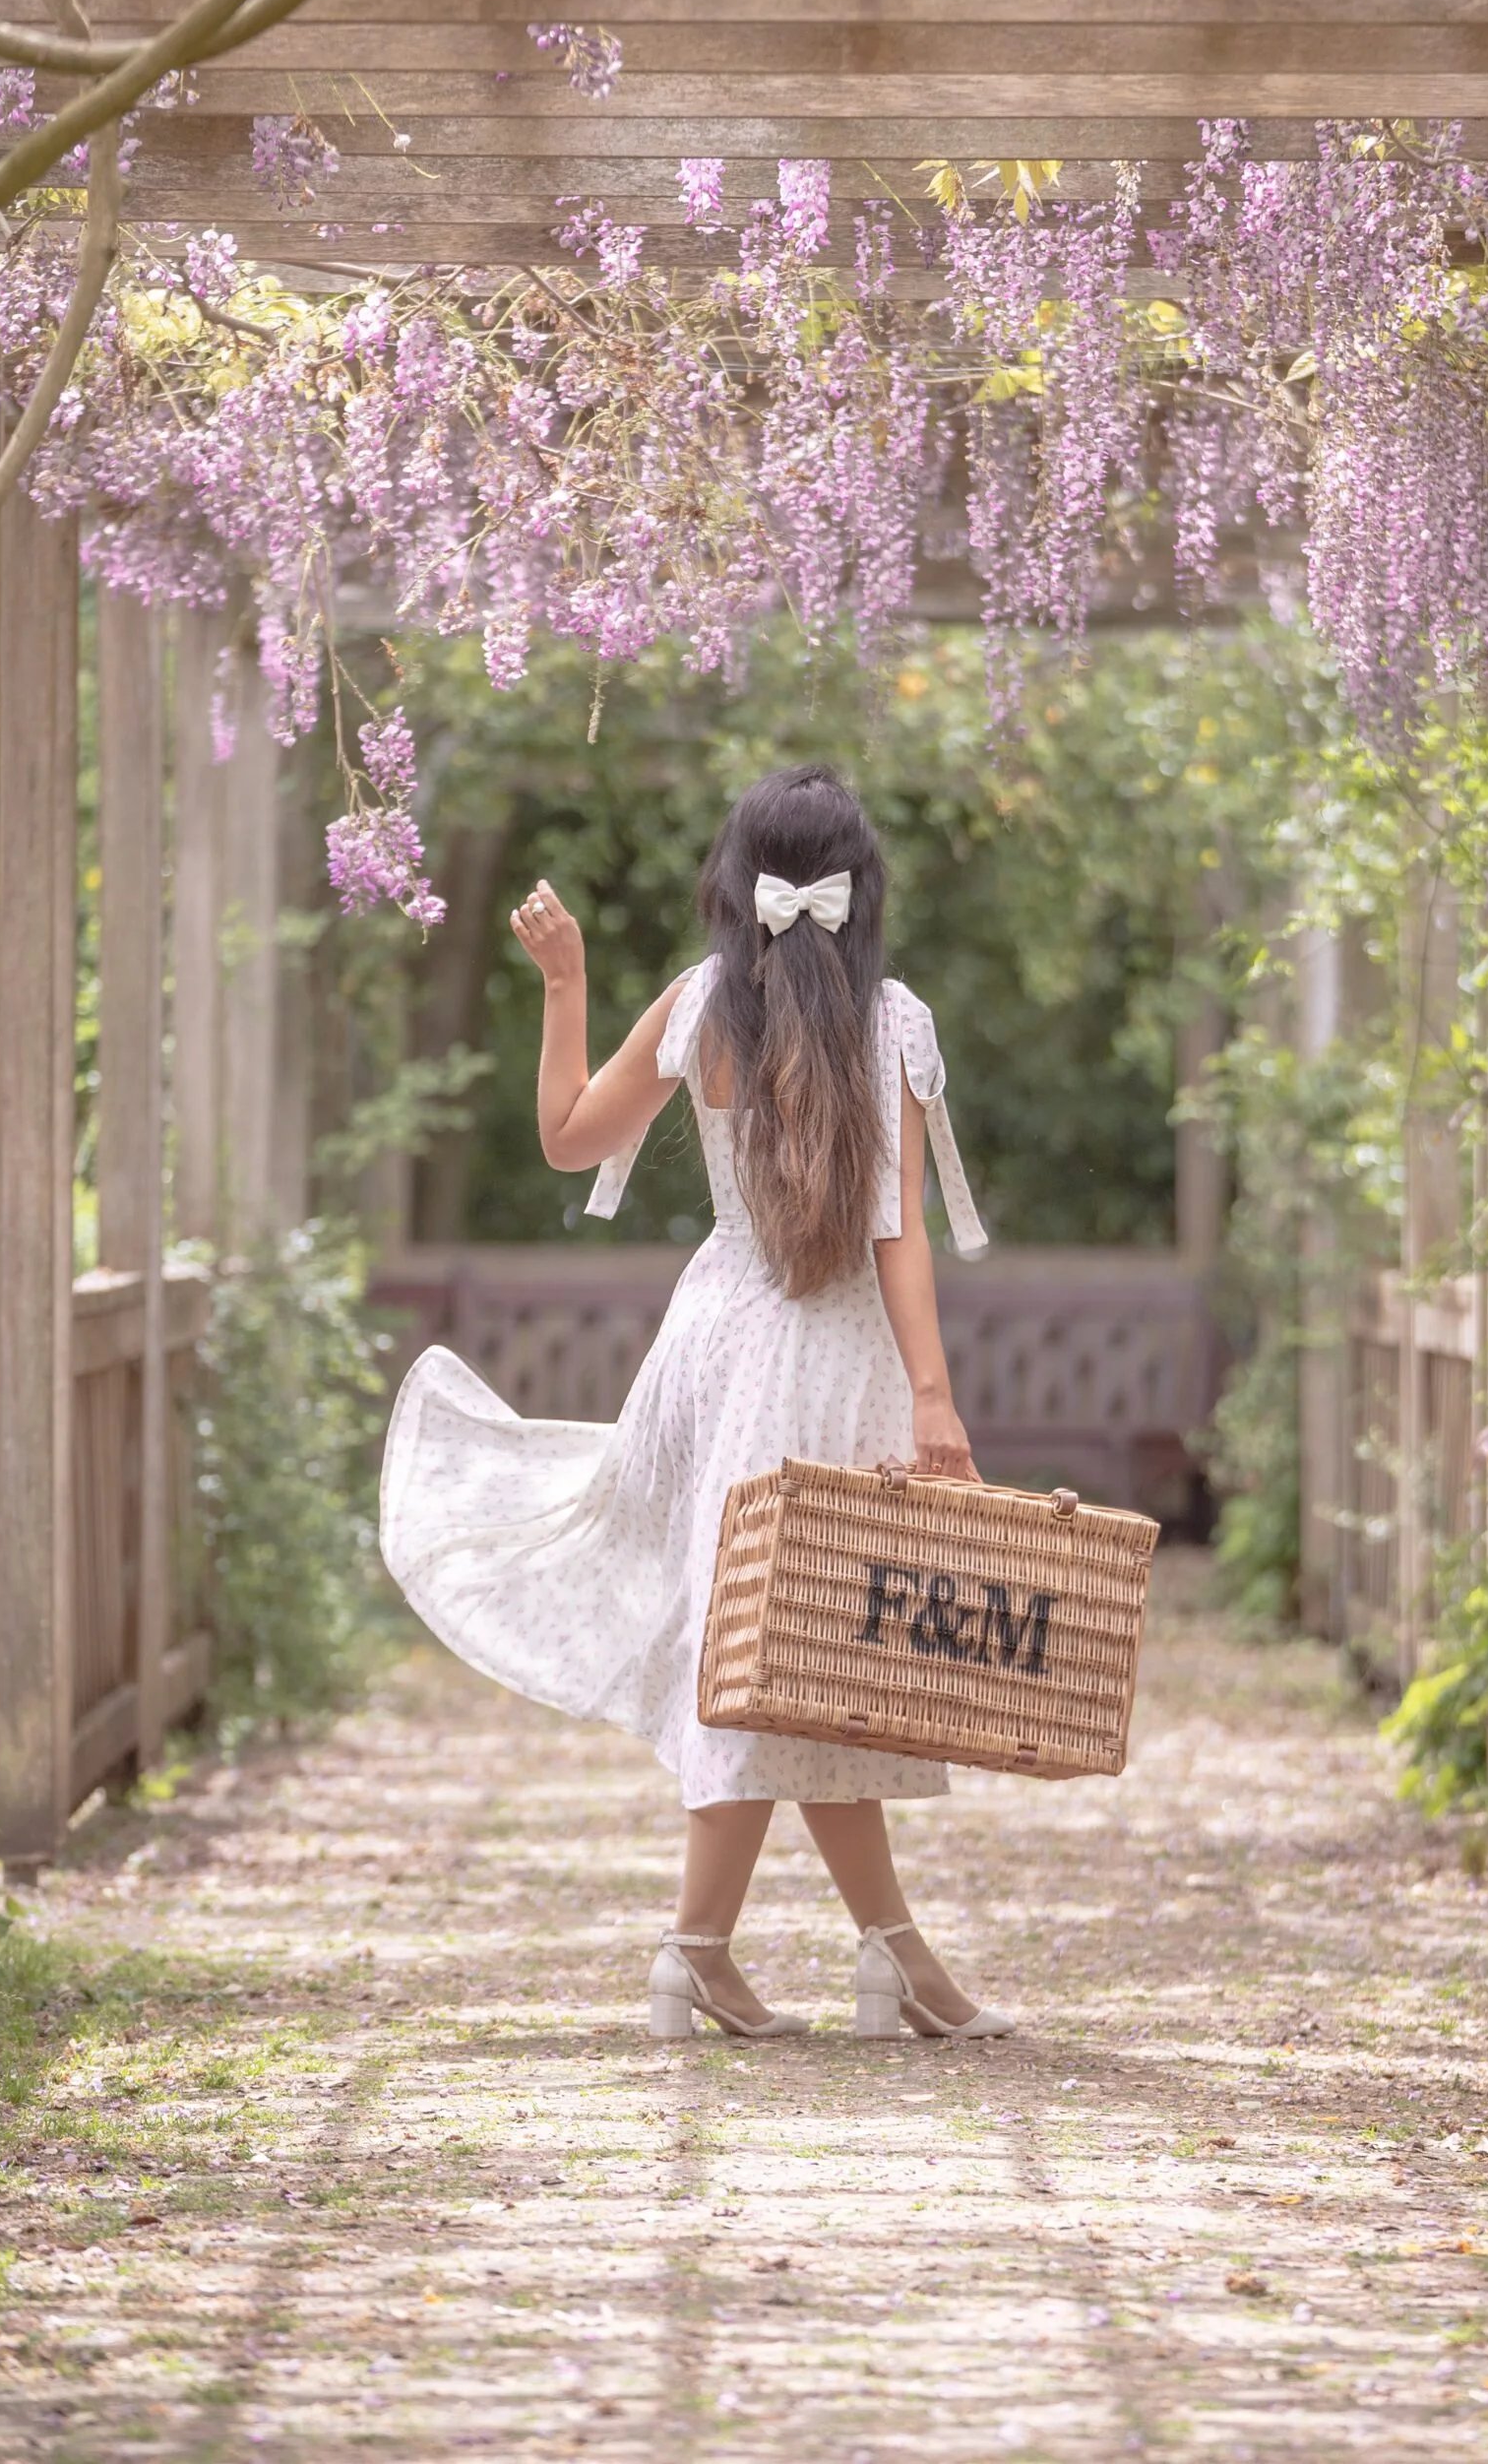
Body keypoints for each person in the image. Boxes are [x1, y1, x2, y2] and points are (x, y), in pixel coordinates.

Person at [380, 765, 1014, 2042]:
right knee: (800, 1654)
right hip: (823, 1354)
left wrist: (564, 985)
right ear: (860, 886)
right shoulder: (888, 1020)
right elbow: (896, 1234)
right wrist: (935, 1401)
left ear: (734, 884)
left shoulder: (701, 1006)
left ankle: (765, 1954)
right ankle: (791, 1955)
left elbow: (565, 1135)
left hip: (717, 1342)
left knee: (789, 1653)